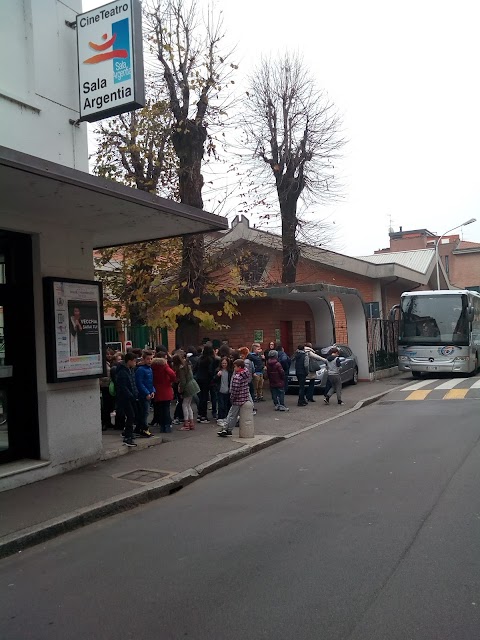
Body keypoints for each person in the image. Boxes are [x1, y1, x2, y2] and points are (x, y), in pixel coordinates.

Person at [217, 359, 251, 437]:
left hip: (237, 399)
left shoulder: (237, 377)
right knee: (234, 415)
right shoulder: (245, 373)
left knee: (231, 415)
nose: (234, 368)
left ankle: (227, 429)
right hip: (244, 397)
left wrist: (232, 398)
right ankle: (228, 429)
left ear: (239, 367)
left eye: (235, 367)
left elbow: (235, 390)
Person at [115, 352, 139, 447]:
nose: (135, 363)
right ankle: (127, 437)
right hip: (125, 398)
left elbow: (133, 383)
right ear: (129, 361)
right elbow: (123, 387)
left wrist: (135, 393)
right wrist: (131, 395)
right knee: (130, 415)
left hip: (131, 396)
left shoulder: (130, 370)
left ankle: (128, 433)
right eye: (134, 361)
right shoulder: (122, 372)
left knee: (132, 415)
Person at [173, 352, 200, 430]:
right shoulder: (187, 365)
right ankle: (191, 423)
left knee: (184, 405)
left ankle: (186, 423)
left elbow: (183, 381)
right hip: (193, 385)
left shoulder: (181, 369)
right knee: (188, 405)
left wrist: (181, 390)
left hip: (187, 386)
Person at [151, 357, 176, 432]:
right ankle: (167, 426)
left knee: (159, 409)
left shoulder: (152, 367)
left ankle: (162, 426)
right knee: (166, 409)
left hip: (156, 390)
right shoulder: (165, 366)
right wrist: (171, 381)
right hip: (166, 389)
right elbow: (172, 374)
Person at [134, 349, 155, 437]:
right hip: (143, 395)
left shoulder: (149, 369)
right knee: (144, 412)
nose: (150, 361)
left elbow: (151, 382)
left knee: (145, 412)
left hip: (149, 393)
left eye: (151, 359)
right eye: (148, 359)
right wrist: (146, 393)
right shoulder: (141, 370)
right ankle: (144, 428)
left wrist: (153, 391)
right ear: (143, 359)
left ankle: (139, 428)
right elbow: (139, 383)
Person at [194, 344, 217, 423]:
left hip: (199, 379)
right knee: (206, 397)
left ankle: (200, 414)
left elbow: (195, 369)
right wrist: (213, 378)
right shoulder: (210, 359)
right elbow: (210, 371)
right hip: (207, 380)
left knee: (202, 398)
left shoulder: (200, 359)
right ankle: (204, 416)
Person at [214, 356, 233, 421]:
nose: (224, 365)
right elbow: (214, 380)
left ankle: (226, 417)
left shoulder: (230, 371)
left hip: (228, 390)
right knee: (221, 405)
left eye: (225, 363)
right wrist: (217, 376)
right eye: (223, 363)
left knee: (227, 405)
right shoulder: (218, 370)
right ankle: (220, 417)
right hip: (220, 390)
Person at [99, 355, 114, 430]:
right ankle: (105, 422)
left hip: (109, 386)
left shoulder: (109, 364)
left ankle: (108, 422)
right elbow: (102, 377)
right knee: (105, 406)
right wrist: (110, 378)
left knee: (108, 406)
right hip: (105, 386)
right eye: (107, 354)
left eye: (110, 354)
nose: (109, 355)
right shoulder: (104, 364)